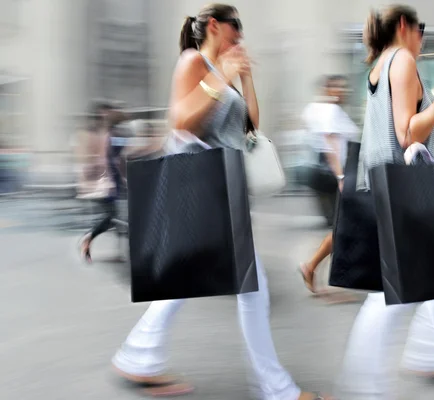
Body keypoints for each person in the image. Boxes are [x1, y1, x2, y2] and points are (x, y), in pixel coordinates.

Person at [110, 5, 331, 399]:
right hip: (203, 187)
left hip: (220, 188)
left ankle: (138, 357)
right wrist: (222, 78)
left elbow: (250, 130)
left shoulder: (223, 73)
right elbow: (180, 120)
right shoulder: (192, 61)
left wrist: (244, 80)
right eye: (236, 29)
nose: (239, 38)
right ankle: (277, 390)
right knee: (253, 289)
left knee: (192, 282)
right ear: (214, 25)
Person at [334, 5, 434, 398]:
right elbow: (408, 133)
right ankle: (364, 387)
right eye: (421, 28)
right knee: (390, 298)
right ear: (403, 26)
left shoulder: (380, 65)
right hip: (403, 189)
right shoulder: (403, 59)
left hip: (383, 184)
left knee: (430, 275)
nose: (423, 37)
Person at [299, 75, 359, 294]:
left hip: (334, 176)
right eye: (336, 87)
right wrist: (341, 177)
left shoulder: (321, 110)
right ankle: (312, 267)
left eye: (343, 87)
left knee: (343, 228)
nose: (342, 91)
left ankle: (312, 268)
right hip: (337, 176)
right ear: (327, 89)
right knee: (343, 229)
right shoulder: (330, 112)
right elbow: (330, 143)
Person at [79, 104, 129, 262]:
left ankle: (119, 251)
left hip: (111, 181)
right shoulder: (114, 135)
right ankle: (89, 238)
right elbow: (116, 160)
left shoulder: (108, 134)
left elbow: (112, 158)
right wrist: (120, 178)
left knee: (115, 217)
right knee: (112, 217)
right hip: (112, 183)